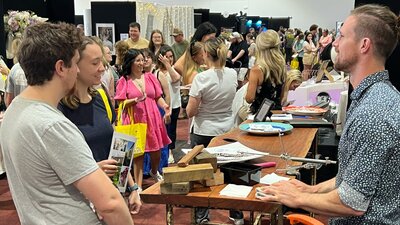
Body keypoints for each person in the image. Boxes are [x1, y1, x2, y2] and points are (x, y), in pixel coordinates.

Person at [258, 4, 400, 225]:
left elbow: (352, 203)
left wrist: (298, 197)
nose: (334, 43)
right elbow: (351, 181)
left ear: (364, 45)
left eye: (342, 36)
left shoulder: (373, 112)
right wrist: (311, 190)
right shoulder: (374, 97)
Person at [0, 22, 133, 225]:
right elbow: (110, 203)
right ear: (61, 67)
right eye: (76, 62)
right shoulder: (52, 125)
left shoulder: (15, 109)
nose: (78, 70)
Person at [58, 36, 141, 215]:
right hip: (83, 202)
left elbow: (117, 146)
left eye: (102, 62)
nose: (102, 68)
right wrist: (93, 169)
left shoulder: (100, 96)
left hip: (111, 194)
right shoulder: (59, 108)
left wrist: (132, 188)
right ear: (75, 65)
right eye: (95, 63)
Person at [186, 37, 238, 224]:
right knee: (230, 173)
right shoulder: (232, 74)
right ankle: (236, 213)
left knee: (202, 174)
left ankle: (202, 216)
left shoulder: (201, 78)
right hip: (226, 129)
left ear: (205, 54)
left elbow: (190, 111)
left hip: (204, 130)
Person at [115, 49, 171, 189]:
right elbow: (121, 103)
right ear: (131, 63)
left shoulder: (150, 77)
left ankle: (154, 171)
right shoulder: (124, 81)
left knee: (156, 149)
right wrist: (135, 100)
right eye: (138, 60)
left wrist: (165, 107)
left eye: (143, 60)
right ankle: (138, 186)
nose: (142, 63)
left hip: (152, 118)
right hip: (135, 119)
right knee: (138, 153)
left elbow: (157, 97)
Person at [245, 30, 286, 113]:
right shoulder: (282, 67)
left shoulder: (256, 70)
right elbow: (282, 97)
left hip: (260, 114)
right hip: (277, 112)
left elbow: (249, 98)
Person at [156, 45, 181, 158]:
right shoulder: (156, 72)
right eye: (166, 57)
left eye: (171, 56)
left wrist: (168, 65)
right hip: (161, 104)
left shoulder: (175, 69)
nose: (169, 59)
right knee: (161, 129)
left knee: (171, 129)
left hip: (174, 105)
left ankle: (170, 150)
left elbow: (176, 79)